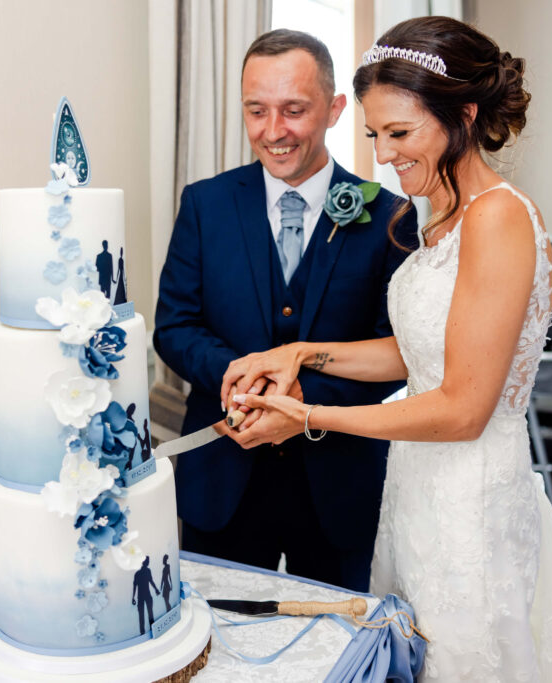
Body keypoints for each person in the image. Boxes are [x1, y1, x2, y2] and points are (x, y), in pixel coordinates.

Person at [220, 17, 552, 680]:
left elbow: (462, 408)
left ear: (463, 115)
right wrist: (302, 354)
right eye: (373, 134)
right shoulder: (441, 216)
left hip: (471, 503)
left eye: (400, 133)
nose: (382, 154)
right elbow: (418, 356)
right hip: (419, 490)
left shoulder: (498, 216)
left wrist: (309, 416)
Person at [153, 29, 417, 592]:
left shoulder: (390, 218)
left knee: (335, 634)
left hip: (337, 483)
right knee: (217, 629)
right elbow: (174, 327)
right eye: (257, 110)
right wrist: (241, 378)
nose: (273, 131)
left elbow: (399, 352)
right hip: (223, 477)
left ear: (335, 109)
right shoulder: (204, 204)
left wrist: (301, 396)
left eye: (294, 110)